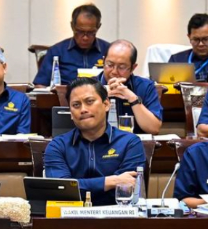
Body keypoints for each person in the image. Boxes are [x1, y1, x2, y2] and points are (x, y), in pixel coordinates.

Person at [44, 77, 146, 205]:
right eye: (76, 105)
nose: (83, 109)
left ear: (106, 104)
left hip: (118, 218)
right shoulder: (57, 146)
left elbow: (126, 190)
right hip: (71, 219)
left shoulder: (130, 143)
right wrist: (112, 181)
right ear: (70, 112)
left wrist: (78, 186)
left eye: (90, 101)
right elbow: (62, 190)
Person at [33, 4, 110, 86]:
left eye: (91, 32)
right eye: (80, 31)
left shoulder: (109, 50)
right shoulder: (57, 51)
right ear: (72, 26)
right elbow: (40, 85)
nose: (85, 38)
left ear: (98, 27)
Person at [96, 40, 162, 134]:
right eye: (110, 65)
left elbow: (154, 128)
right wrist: (99, 95)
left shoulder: (146, 86)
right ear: (103, 62)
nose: (114, 71)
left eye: (121, 67)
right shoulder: (88, 85)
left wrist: (133, 99)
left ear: (133, 68)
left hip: (134, 144)